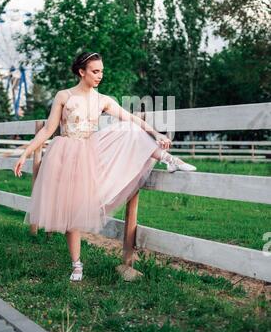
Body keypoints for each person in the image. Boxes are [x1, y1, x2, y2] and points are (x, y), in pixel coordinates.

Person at [14, 52, 196, 282]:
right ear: (82, 72)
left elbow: (132, 119)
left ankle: (169, 159)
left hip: (90, 151)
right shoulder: (64, 96)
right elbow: (48, 129)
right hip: (65, 154)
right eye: (95, 71)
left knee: (129, 129)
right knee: (70, 212)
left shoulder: (103, 100)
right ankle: (77, 265)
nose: (100, 76)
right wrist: (26, 153)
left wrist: (156, 132)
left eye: (101, 71)